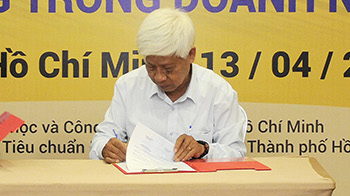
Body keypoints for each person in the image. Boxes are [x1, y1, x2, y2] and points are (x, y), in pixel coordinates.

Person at [90, 8, 248, 163]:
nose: (159, 77)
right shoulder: (128, 86)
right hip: (142, 180)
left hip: (198, 180)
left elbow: (236, 153)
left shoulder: (218, 92)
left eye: (168, 69)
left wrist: (203, 150)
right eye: (151, 66)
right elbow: (101, 140)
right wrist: (106, 148)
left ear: (190, 55)